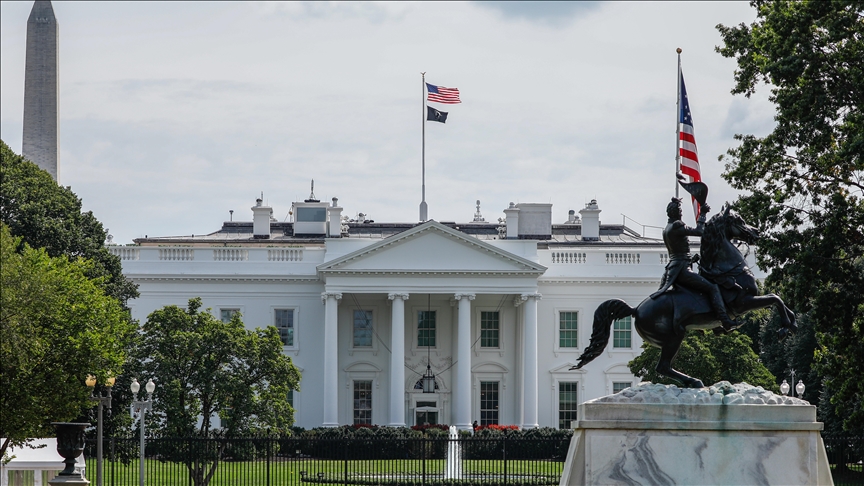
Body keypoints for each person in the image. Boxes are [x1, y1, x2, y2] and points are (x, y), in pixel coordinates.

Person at [652, 198, 737, 333]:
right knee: (712, 288)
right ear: (675, 212)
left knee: (698, 292)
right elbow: (699, 231)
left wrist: (690, 259)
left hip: (675, 267)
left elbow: (677, 252)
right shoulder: (677, 225)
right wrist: (702, 214)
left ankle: (712, 324)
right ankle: (725, 321)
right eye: (680, 210)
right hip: (682, 270)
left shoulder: (666, 228)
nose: (681, 213)